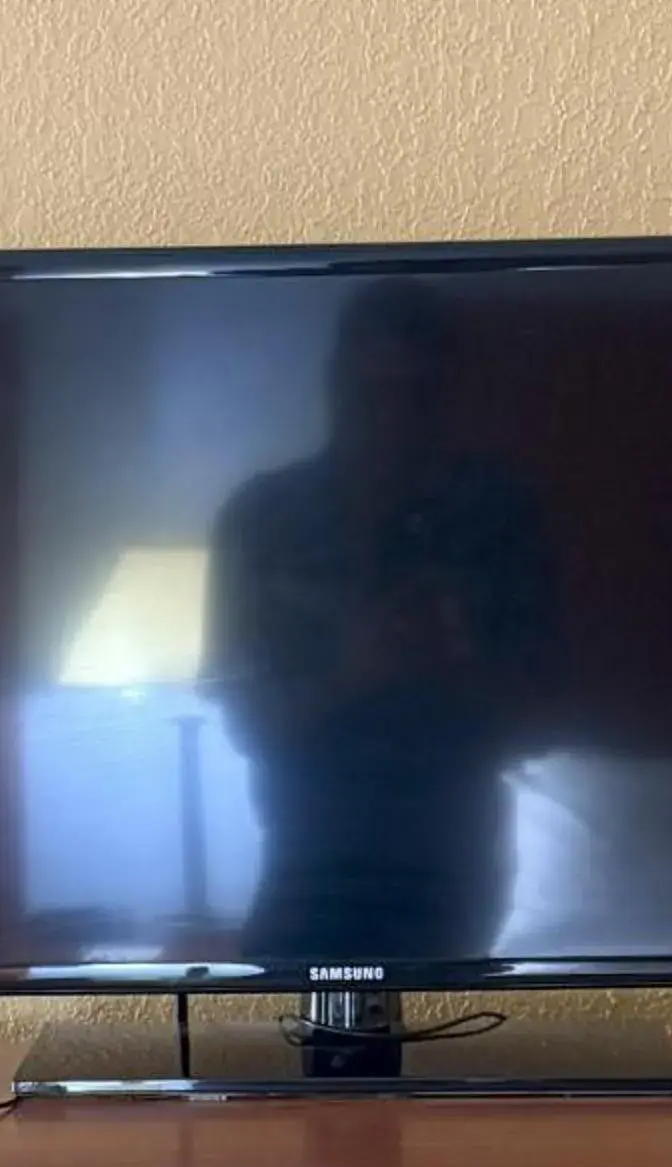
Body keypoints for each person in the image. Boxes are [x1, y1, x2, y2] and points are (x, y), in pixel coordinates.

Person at [205, 280, 556, 963]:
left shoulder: (500, 514)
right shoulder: (265, 517)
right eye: (375, 392)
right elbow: (249, 726)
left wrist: (455, 664)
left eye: (417, 396)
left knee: (460, 1042)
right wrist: (354, 674)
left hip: (454, 869)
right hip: (305, 867)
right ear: (336, 385)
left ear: (446, 399)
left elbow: (542, 721)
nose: (394, 418)